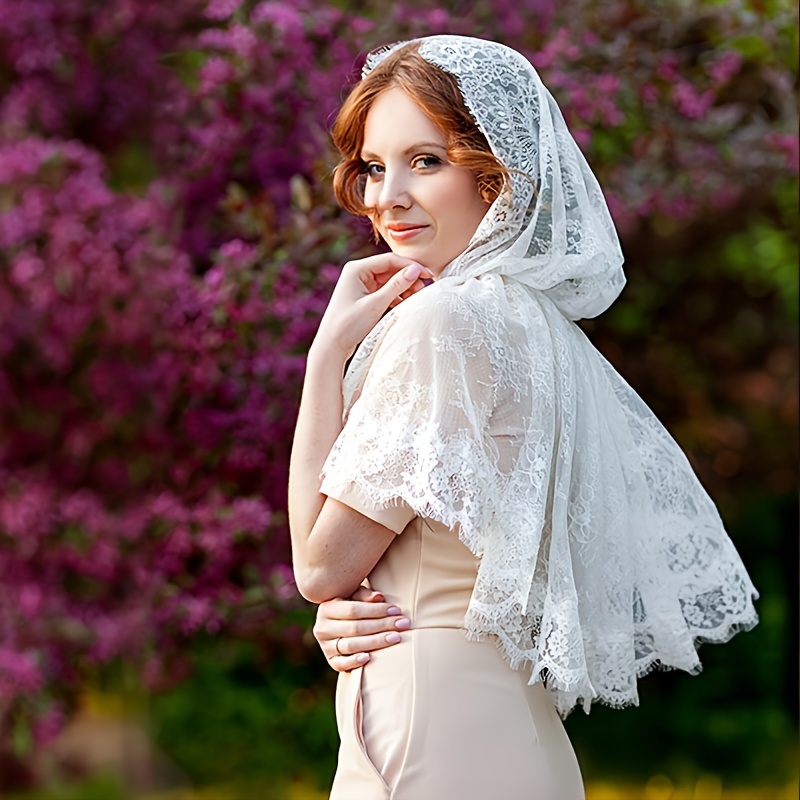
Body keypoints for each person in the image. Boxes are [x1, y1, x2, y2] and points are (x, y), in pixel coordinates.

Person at [288, 35, 758, 800]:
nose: (387, 196)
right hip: (507, 723)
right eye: (375, 166)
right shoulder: (536, 330)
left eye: (426, 161)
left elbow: (318, 566)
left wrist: (323, 361)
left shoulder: (440, 322)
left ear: (495, 177)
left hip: (430, 725)